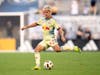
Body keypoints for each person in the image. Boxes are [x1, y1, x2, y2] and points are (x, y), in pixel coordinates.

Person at [21, 5, 81, 70]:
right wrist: (26, 27)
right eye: (44, 12)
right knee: (36, 50)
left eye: (46, 12)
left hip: (51, 39)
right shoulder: (42, 20)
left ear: (50, 12)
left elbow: (60, 29)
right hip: (45, 40)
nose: (45, 14)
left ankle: (73, 48)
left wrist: (62, 36)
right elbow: (35, 24)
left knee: (58, 50)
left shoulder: (53, 21)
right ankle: (37, 66)